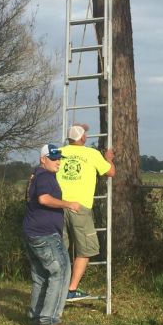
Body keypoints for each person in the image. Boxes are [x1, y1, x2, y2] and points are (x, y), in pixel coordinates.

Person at [23, 143, 81, 325]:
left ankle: (36, 317)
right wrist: (68, 204)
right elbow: (44, 199)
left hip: (32, 232)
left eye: (59, 158)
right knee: (61, 273)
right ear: (43, 159)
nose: (58, 162)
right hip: (45, 234)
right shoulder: (45, 176)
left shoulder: (36, 176)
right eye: (54, 158)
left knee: (40, 276)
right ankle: (50, 321)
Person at [56, 123, 115, 302]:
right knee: (87, 249)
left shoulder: (58, 151)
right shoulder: (91, 154)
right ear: (82, 138)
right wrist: (109, 158)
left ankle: (56, 288)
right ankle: (71, 289)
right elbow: (111, 172)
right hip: (79, 208)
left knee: (59, 249)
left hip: (57, 207)